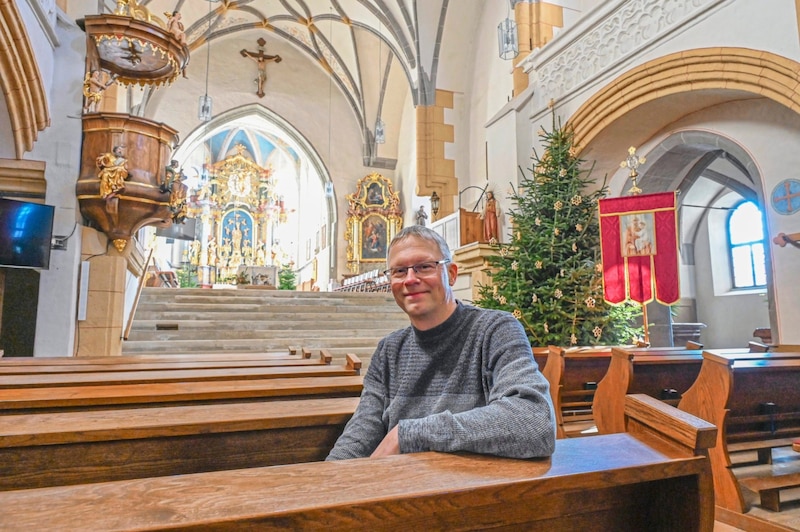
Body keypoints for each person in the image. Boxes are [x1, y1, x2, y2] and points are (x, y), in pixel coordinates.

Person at [326, 225, 556, 460]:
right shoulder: (389, 350)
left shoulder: (494, 330)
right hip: (400, 488)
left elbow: (534, 421)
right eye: (399, 271)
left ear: (452, 273)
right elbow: (360, 434)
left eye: (424, 267)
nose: (410, 279)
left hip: (469, 491)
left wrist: (406, 435)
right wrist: (327, 481)